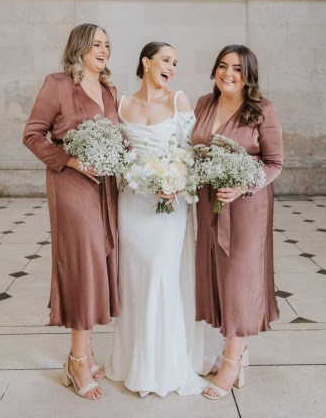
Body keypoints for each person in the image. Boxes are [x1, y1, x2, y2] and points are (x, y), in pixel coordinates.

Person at [23, 23, 120, 400]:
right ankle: (78, 360)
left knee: (100, 262)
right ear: (79, 48)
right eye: (97, 44)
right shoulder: (58, 83)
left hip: (106, 189)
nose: (104, 50)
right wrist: (70, 160)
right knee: (83, 264)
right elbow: (32, 134)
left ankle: (86, 351)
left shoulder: (111, 90)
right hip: (71, 184)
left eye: (108, 45)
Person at [105, 41, 207, 397]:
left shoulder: (178, 100)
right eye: (166, 60)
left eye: (175, 62)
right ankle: (134, 359)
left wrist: (176, 183)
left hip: (169, 204)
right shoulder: (121, 104)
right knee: (134, 278)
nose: (172, 67)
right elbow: (118, 154)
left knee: (161, 275)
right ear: (146, 62)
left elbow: (191, 152)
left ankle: (164, 366)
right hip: (132, 202)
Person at [191, 44, 283, 400]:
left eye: (238, 69)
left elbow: (274, 162)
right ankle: (231, 349)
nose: (228, 74)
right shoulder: (203, 103)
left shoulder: (262, 110)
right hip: (207, 203)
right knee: (216, 272)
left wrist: (243, 185)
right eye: (223, 66)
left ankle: (233, 358)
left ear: (249, 76)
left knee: (239, 278)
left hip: (246, 207)